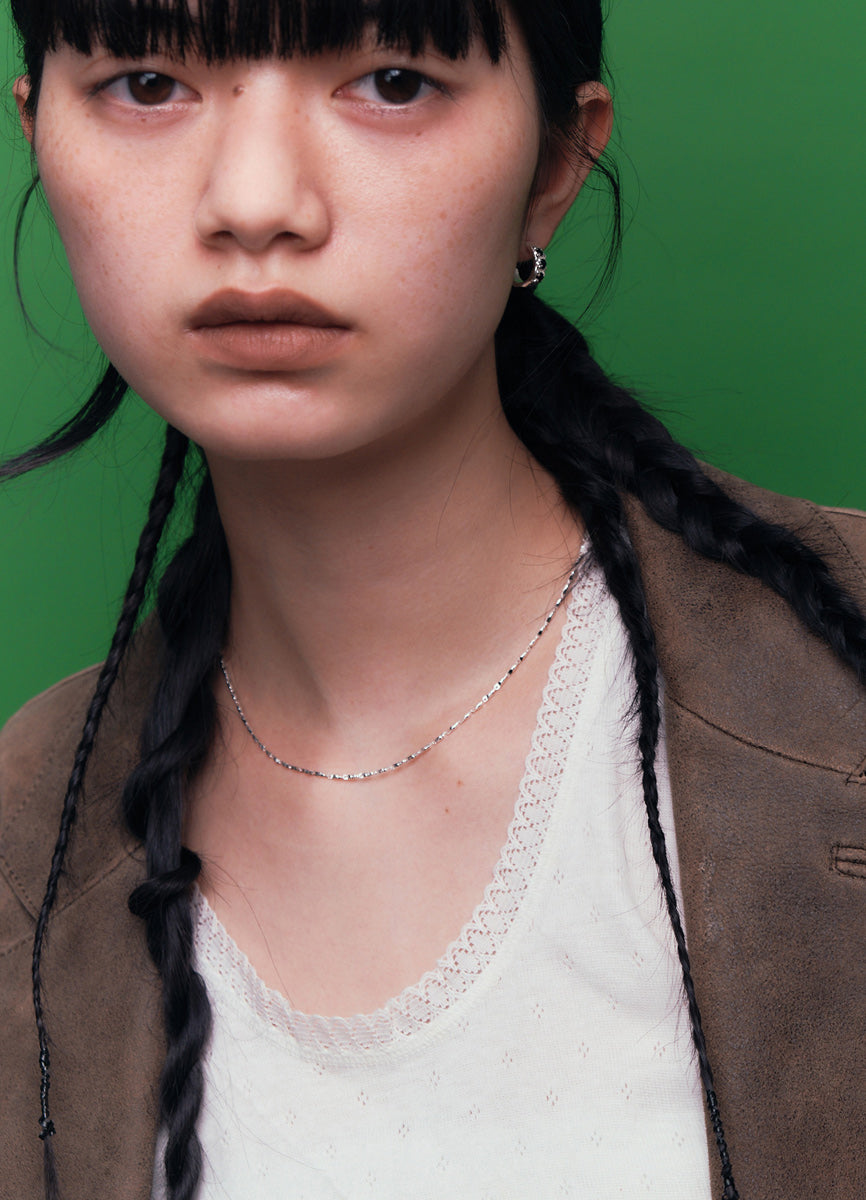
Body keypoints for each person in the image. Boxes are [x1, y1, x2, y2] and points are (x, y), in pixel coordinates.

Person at [1, 1, 865, 1198]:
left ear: (552, 165)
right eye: (147, 84)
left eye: (393, 80)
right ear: (39, 134)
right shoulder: (25, 838)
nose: (254, 202)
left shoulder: (828, 693)